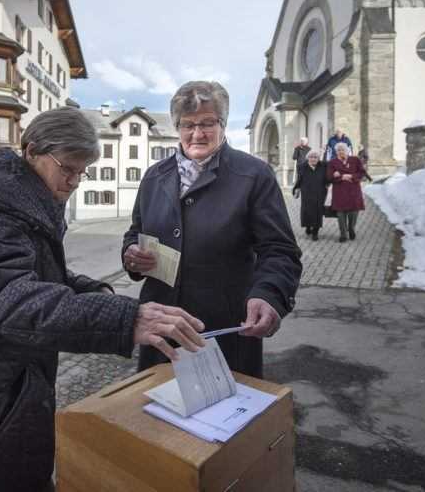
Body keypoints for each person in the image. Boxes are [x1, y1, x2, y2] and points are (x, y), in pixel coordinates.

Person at [0, 108, 206, 492]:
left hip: (5, 393)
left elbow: (39, 274)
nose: (73, 181)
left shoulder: (29, 199)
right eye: (67, 168)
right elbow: (5, 297)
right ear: (32, 151)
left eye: (81, 172)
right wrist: (122, 319)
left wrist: (90, 291)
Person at [122, 81, 302, 379]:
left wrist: (269, 294)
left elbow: (279, 251)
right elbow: (135, 231)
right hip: (162, 327)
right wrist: (130, 254)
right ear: (177, 126)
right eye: (187, 124)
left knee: (224, 419)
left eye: (207, 123)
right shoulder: (155, 176)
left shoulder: (253, 175)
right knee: (157, 418)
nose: (197, 133)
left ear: (223, 124)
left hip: (223, 328)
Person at [327, 143, 366, 242]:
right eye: (338, 150)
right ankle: (343, 234)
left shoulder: (355, 160)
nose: (341, 152)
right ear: (336, 152)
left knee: (354, 212)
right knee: (340, 214)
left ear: (347, 150)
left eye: (342, 150)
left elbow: (362, 172)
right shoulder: (332, 162)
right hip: (339, 192)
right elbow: (329, 177)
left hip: (353, 191)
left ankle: (351, 228)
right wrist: (341, 177)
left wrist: (351, 176)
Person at [292, 149, 329, 241]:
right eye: (311, 157)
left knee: (318, 212)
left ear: (318, 158)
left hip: (320, 193)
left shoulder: (323, 166)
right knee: (307, 211)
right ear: (308, 158)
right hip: (307, 193)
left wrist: (329, 183)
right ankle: (308, 226)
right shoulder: (302, 167)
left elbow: (328, 177)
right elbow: (299, 179)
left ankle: (315, 232)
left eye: (315, 157)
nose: (313, 159)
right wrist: (296, 188)